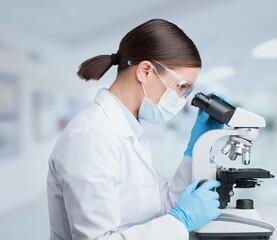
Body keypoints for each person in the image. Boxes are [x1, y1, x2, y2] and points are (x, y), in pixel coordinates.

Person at [47, 18, 224, 240]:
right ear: (145, 71)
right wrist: (180, 221)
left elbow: (163, 209)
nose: (182, 99)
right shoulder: (91, 136)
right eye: (181, 87)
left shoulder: (129, 132)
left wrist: (196, 148)